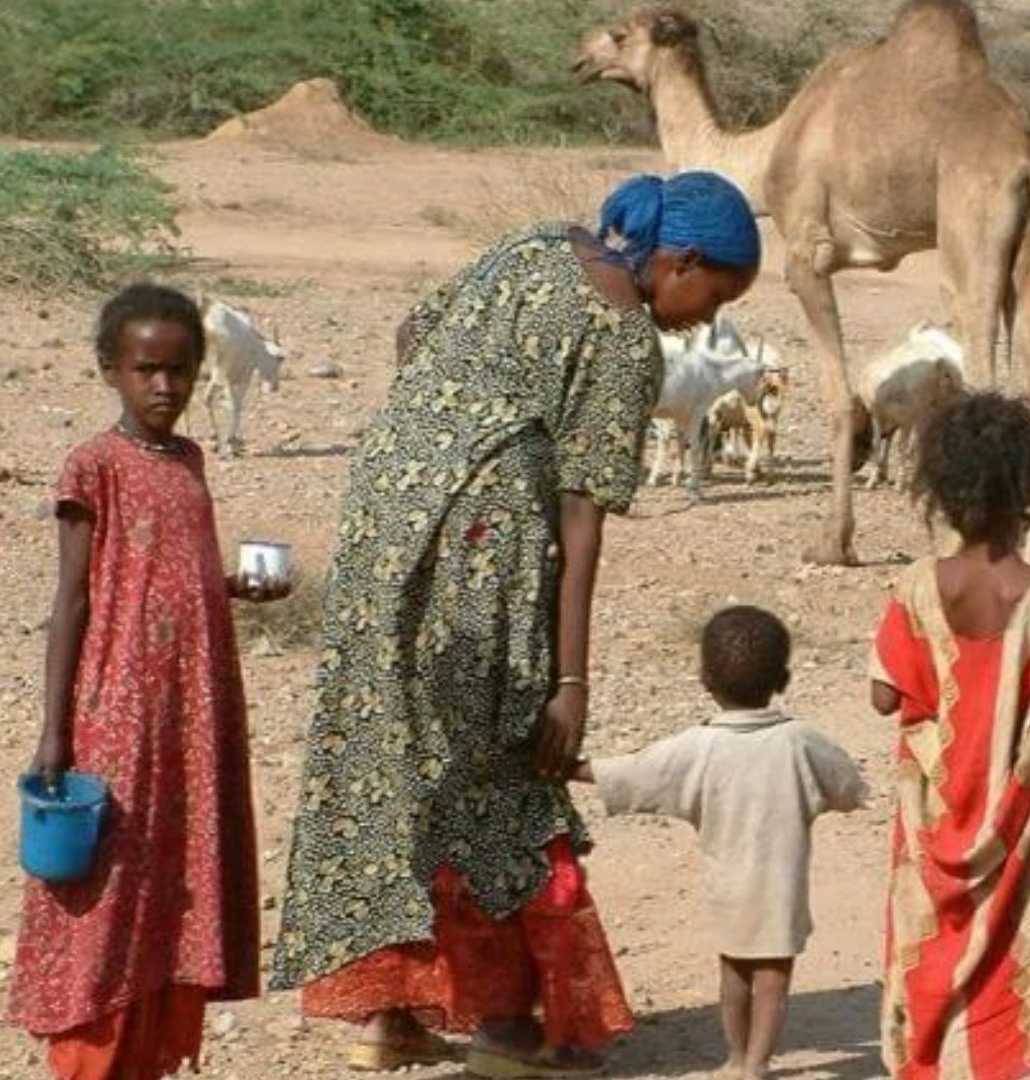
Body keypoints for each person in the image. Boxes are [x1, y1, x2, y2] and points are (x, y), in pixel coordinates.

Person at [271, 171, 762, 1077]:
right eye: (715, 295)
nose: (703, 319)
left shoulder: (534, 245)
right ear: (683, 261)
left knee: (399, 747)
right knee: (503, 762)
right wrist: (569, 683)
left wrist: (439, 431)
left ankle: (388, 1018)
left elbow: (413, 330)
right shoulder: (623, 338)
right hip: (483, 541)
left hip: (384, 507)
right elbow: (583, 516)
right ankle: (504, 1024)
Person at [8, 283, 286, 1080]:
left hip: (193, 710)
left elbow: (168, 570)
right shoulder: (94, 465)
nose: (164, 387)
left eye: (180, 371)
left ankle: (148, 1056)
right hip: (118, 706)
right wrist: (55, 728)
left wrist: (233, 588)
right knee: (110, 883)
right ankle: (91, 1057)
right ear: (110, 371)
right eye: (146, 371)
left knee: (176, 874)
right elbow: (74, 599)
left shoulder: (190, 459)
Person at [868, 392, 1030, 1080]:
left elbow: (885, 696)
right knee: (1005, 963)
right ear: (1029, 486)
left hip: (931, 820)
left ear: (937, 488)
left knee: (927, 948)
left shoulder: (915, 587)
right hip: (1018, 825)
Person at [571, 606, 867, 1080]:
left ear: (705, 680)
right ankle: (758, 1062)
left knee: (734, 972)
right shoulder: (800, 742)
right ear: (784, 678)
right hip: (781, 886)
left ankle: (733, 1056)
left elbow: (635, 772)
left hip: (727, 887)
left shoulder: (698, 747)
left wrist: (571, 767)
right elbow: (848, 785)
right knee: (773, 975)